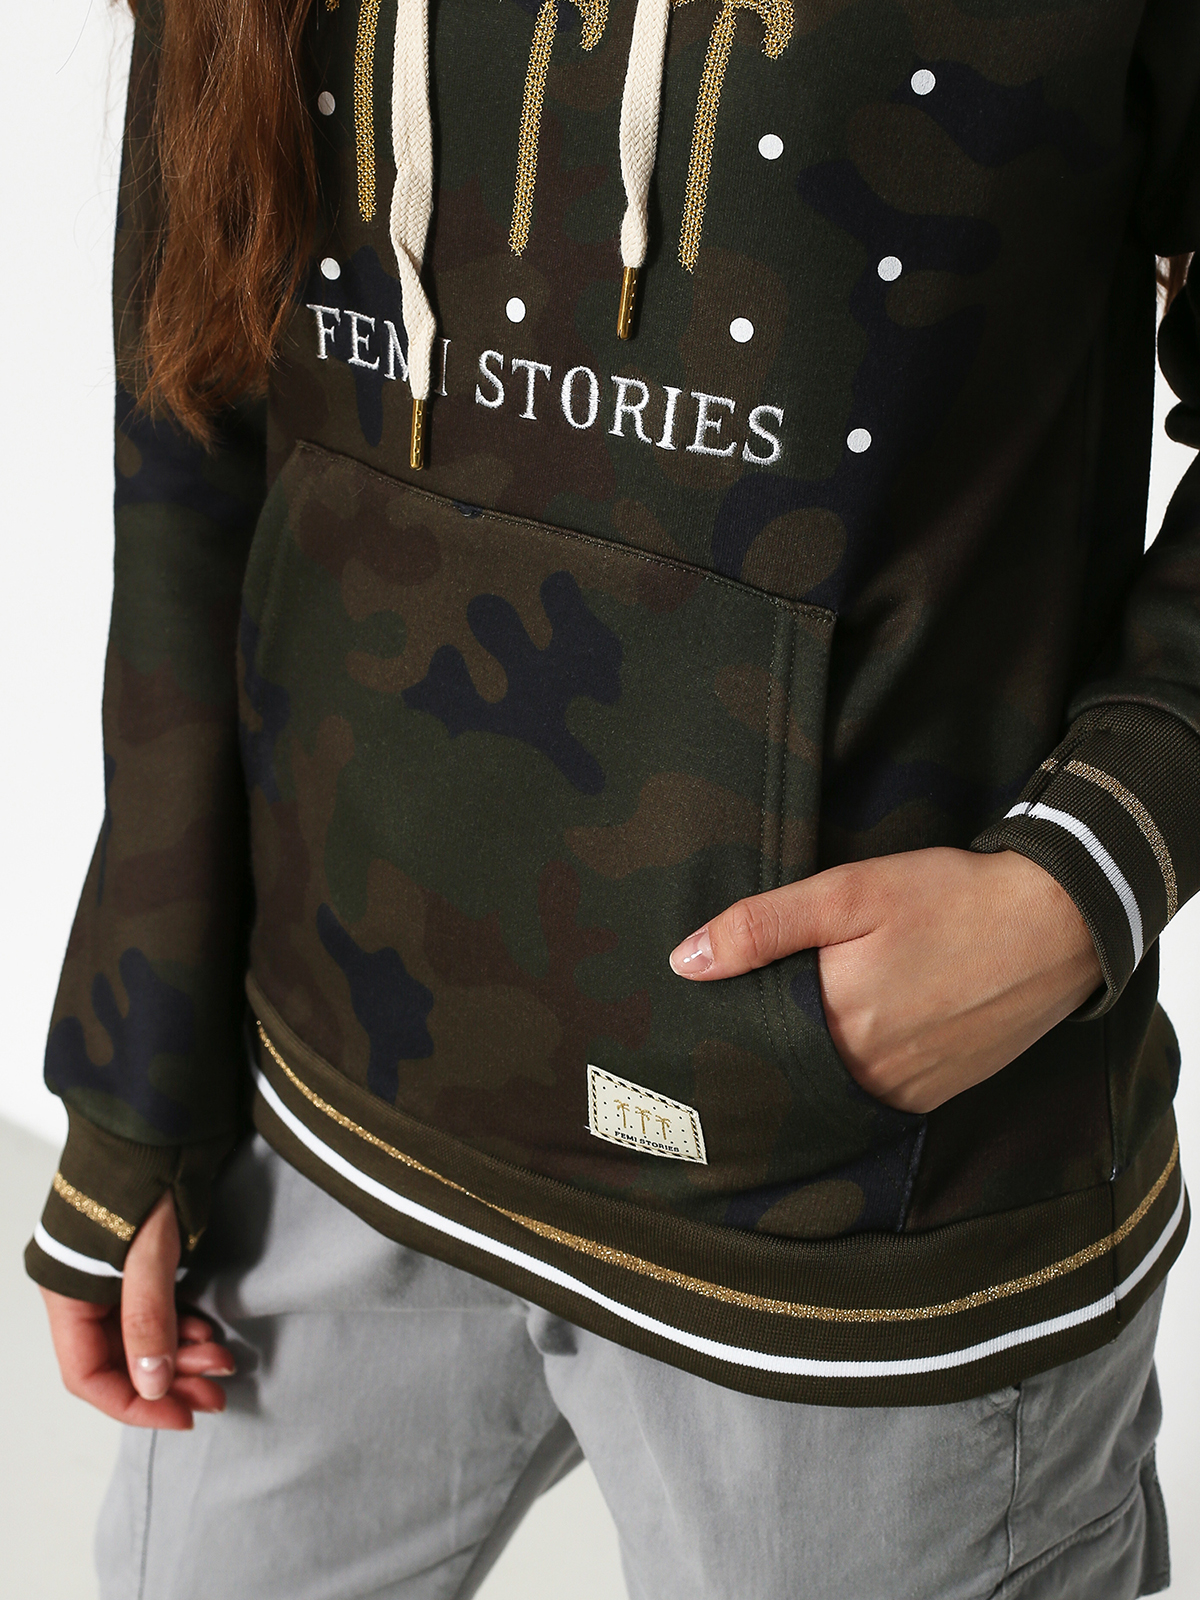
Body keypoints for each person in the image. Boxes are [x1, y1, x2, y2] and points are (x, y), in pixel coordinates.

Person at [24, 0, 1200, 1593]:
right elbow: (195, 397)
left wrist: (1084, 876)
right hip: (318, 1132)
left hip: (849, 1238)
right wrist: (132, 1069)